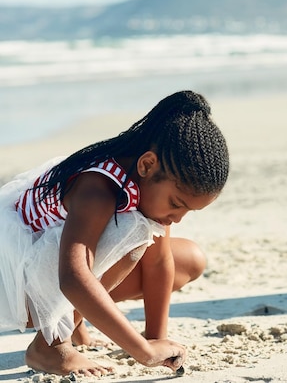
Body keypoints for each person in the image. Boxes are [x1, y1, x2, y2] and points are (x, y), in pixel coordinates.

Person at [0, 90, 229, 377]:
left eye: (188, 212)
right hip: (14, 283)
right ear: (147, 165)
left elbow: (158, 263)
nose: (178, 218)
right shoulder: (97, 189)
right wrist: (143, 353)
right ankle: (50, 346)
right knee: (131, 241)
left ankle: (74, 322)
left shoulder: (149, 187)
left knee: (188, 259)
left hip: (52, 270)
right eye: (176, 204)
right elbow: (72, 276)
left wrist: (155, 339)